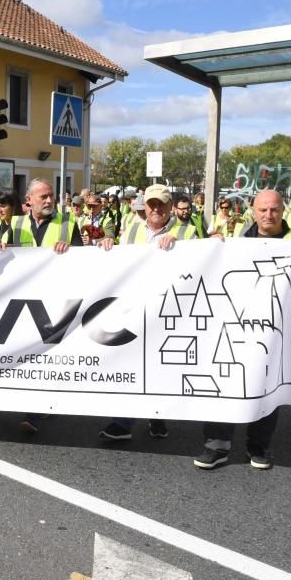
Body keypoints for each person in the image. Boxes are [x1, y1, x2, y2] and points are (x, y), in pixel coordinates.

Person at [194, 189, 289, 470]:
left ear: (283, 211)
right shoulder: (237, 243)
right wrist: (211, 247)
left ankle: (258, 447)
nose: (268, 215)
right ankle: (217, 445)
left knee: (266, 387)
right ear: (253, 211)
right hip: (236, 324)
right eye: (262, 210)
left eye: (273, 210)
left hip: (276, 330)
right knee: (224, 380)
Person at [97, 184, 194, 441]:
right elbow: (119, 261)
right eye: (151, 204)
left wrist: (181, 244)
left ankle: (156, 415)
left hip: (170, 310)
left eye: (161, 204)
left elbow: (205, 259)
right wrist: (108, 244)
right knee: (133, 361)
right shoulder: (132, 230)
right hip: (136, 307)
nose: (156, 209)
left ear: (170, 206)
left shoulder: (188, 231)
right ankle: (124, 422)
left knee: (160, 364)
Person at [0, 178, 82, 433]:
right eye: (43, 196)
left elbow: (84, 259)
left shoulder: (67, 223)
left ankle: (35, 412)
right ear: (29, 201)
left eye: (51, 196)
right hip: (23, 300)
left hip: (55, 300)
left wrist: (71, 250)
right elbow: (2, 253)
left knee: (46, 353)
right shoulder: (16, 223)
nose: (49, 200)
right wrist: (1, 248)